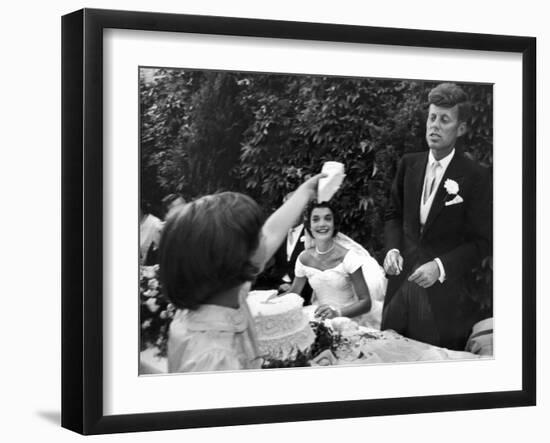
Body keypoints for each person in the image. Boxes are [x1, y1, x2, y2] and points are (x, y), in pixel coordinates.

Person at [158, 173, 325, 373]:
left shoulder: (225, 289)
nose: (264, 238)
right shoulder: (214, 359)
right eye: (256, 238)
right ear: (235, 260)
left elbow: (271, 233)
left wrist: (305, 191)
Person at [382, 83, 492, 350]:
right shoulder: (409, 164)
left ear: (460, 128)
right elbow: (393, 215)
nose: (435, 126)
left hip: (442, 299)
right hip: (399, 287)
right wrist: (392, 249)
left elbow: (482, 242)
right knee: (388, 355)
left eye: (444, 120)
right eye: (432, 118)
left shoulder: (475, 176)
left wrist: (440, 267)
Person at [287, 201, 386, 329]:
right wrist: (270, 303)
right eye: (316, 219)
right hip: (320, 320)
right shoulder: (303, 258)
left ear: (334, 225)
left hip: (348, 322)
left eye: (327, 219)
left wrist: (337, 313)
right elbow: (294, 294)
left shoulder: (349, 258)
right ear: (310, 226)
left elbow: (365, 303)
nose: (322, 224)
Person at [253, 192, 313, 304]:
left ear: (303, 209)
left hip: (304, 291)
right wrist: (277, 286)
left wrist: (292, 286)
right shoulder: (278, 233)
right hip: (275, 287)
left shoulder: (311, 234)